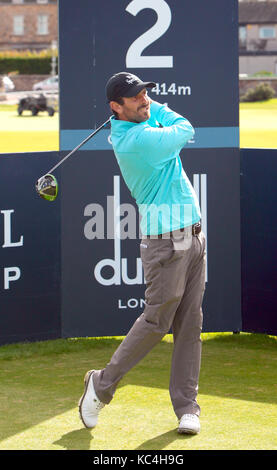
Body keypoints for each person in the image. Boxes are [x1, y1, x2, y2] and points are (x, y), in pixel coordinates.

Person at [79, 72, 206, 435]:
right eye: (135, 97)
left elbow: (164, 119)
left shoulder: (139, 123)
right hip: (165, 242)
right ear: (115, 108)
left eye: (145, 93)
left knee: (190, 324)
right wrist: (159, 109)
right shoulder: (137, 141)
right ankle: (101, 386)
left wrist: (148, 106)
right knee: (156, 322)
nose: (145, 100)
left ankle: (187, 406)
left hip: (193, 234)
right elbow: (184, 127)